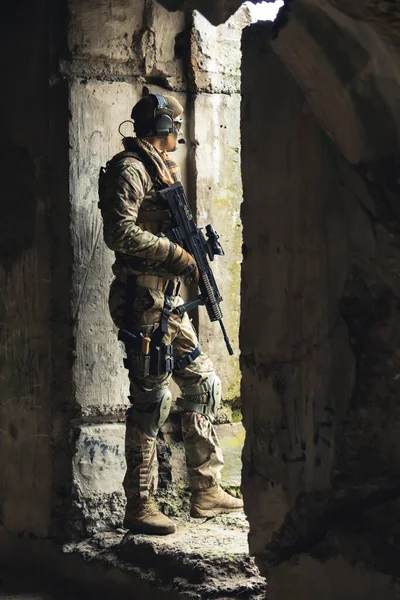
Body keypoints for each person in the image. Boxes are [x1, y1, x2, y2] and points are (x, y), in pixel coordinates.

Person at [98, 93, 243, 535]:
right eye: (174, 126)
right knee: (153, 400)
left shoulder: (160, 168)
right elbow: (119, 232)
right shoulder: (130, 169)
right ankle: (140, 504)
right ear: (161, 126)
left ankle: (206, 489)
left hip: (169, 304)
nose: (178, 134)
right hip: (141, 302)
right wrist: (178, 255)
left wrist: (192, 248)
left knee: (203, 382)